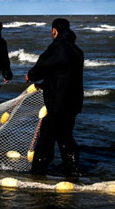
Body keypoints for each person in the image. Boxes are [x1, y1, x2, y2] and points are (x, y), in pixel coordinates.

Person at [25, 18, 84, 176]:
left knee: (46, 140)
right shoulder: (77, 51)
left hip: (57, 103)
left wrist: (30, 75)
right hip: (74, 103)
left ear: (54, 31)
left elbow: (42, 66)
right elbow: (64, 74)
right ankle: (73, 171)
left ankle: (38, 172)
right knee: (65, 136)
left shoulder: (57, 48)